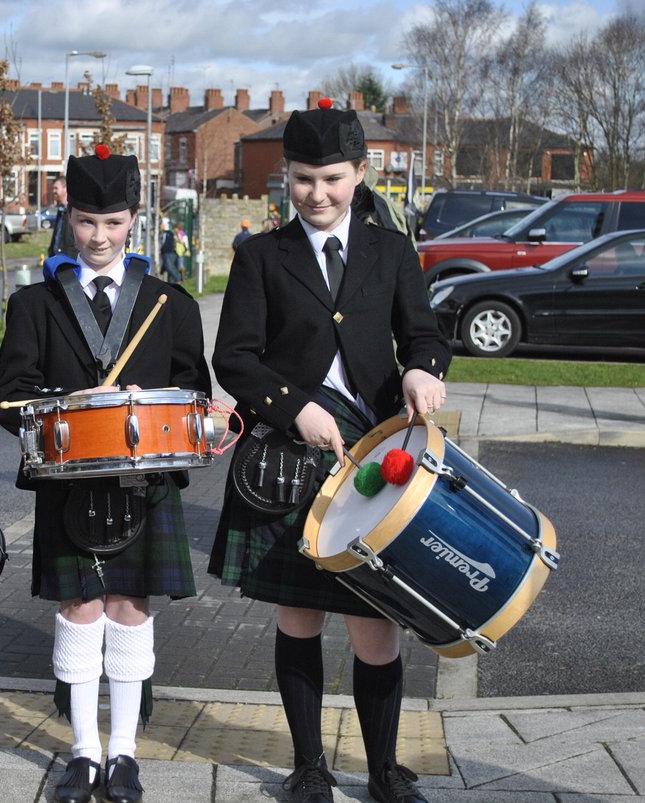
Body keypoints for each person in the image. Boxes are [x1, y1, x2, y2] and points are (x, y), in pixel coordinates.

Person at [209, 99, 449, 803]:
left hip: (377, 459)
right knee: (299, 617)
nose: (317, 193)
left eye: (333, 179)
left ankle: (383, 770)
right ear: (287, 176)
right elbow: (236, 358)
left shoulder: (391, 250)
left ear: (362, 173)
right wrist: (295, 407)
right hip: (287, 457)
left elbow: (427, 337)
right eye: (304, 178)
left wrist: (421, 371)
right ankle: (309, 765)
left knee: (376, 626)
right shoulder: (260, 255)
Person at [0, 145, 211, 803]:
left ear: (135, 219)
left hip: (144, 483)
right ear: (68, 214)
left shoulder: (169, 303)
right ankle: (84, 751)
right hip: (69, 482)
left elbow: (192, 389)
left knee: (131, 606)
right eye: (87, 221)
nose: (98, 236)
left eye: (113, 223)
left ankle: (125, 754)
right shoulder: (34, 303)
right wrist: (63, 422)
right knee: (80, 606)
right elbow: (10, 396)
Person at [49, 175, 78, 259]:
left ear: (65, 189)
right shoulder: (61, 211)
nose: (53, 191)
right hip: (57, 260)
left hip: (69, 261)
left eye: (56, 188)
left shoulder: (74, 211)